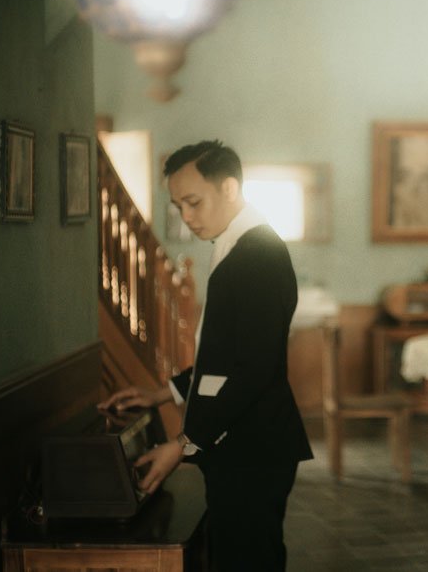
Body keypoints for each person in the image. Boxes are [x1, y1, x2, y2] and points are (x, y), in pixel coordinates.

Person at [98, 140, 312, 571]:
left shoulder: (259, 253)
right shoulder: (237, 245)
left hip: (254, 447)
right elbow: (225, 361)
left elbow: (254, 368)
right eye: (179, 206)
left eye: (193, 202)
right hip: (243, 443)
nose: (187, 217)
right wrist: (163, 393)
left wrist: (182, 443)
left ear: (229, 188)